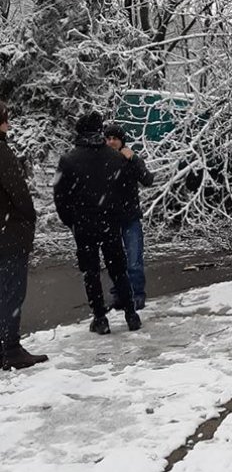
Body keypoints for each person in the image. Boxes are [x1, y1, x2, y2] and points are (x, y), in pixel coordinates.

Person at [53, 111, 141, 335]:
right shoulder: (115, 158)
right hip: (110, 222)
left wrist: (71, 221)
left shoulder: (69, 160)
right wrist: (117, 215)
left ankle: (100, 318)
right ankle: (131, 313)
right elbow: (126, 191)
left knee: (90, 272)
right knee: (118, 269)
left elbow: (60, 197)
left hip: (84, 225)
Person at [0, 101, 48, 370]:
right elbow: (20, 195)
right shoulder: (2, 153)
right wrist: (29, 218)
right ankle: (10, 348)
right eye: (5, 119)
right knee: (12, 292)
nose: (8, 124)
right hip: (9, 235)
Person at [104, 123, 153, 310]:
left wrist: (132, 159)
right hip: (110, 219)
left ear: (121, 140)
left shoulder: (131, 160)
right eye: (108, 138)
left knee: (133, 260)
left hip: (130, 218)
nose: (111, 142)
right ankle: (118, 294)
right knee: (115, 261)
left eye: (114, 138)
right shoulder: (102, 161)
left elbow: (147, 179)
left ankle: (137, 294)